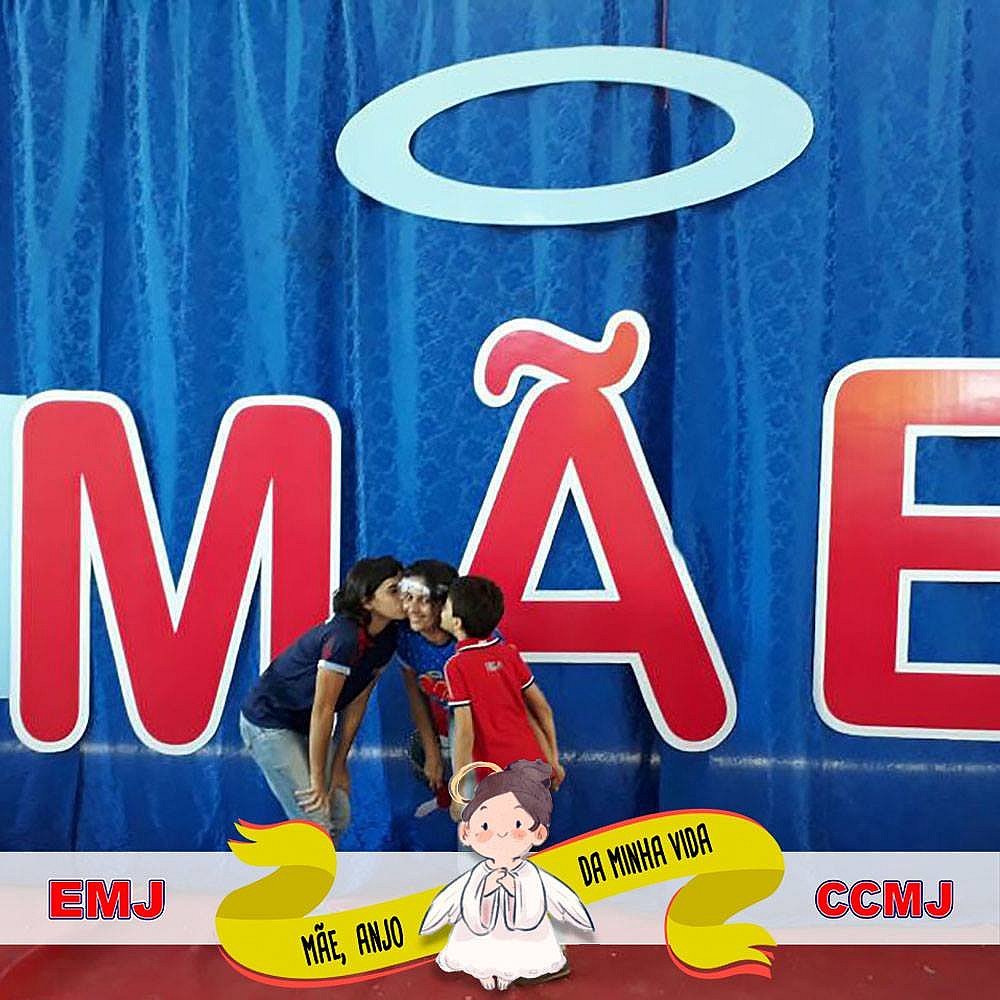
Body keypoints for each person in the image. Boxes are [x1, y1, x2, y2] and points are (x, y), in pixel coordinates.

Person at [240, 556, 405, 844]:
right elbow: (324, 710)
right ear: (367, 601)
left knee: (338, 814)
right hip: (270, 722)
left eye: (405, 587)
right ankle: (306, 872)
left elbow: (357, 702)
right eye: (393, 590)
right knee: (315, 821)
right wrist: (318, 779)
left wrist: (339, 764)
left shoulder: (388, 637)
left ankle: (312, 869)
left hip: (305, 724)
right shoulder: (344, 638)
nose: (404, 596)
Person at [419, 759, 593, 991]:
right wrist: (550, 759)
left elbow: (465, 740)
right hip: (514, 776)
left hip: (494, 781)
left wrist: (460, 791)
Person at [441, 575, 564, 820]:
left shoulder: (456, 666)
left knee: (498, 840)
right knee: (526, 836)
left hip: (497, 776)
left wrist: (458, 792)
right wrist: (553, 761)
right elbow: (543, 710)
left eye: (445, 607)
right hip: (534, 767)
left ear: (456, 622)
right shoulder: (509, 654)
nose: (440, 612)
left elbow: (465, 733)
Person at [396, 560, 460, 812]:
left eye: (423, 600)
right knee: (420, 750)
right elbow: (416, 696)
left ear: (444, 603)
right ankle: (446, 798)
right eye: (408, 597)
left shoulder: (468, 636)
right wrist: (432, 752)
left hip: (484, 719)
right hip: (451, 716)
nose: (412, 608)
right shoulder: (407, 637)